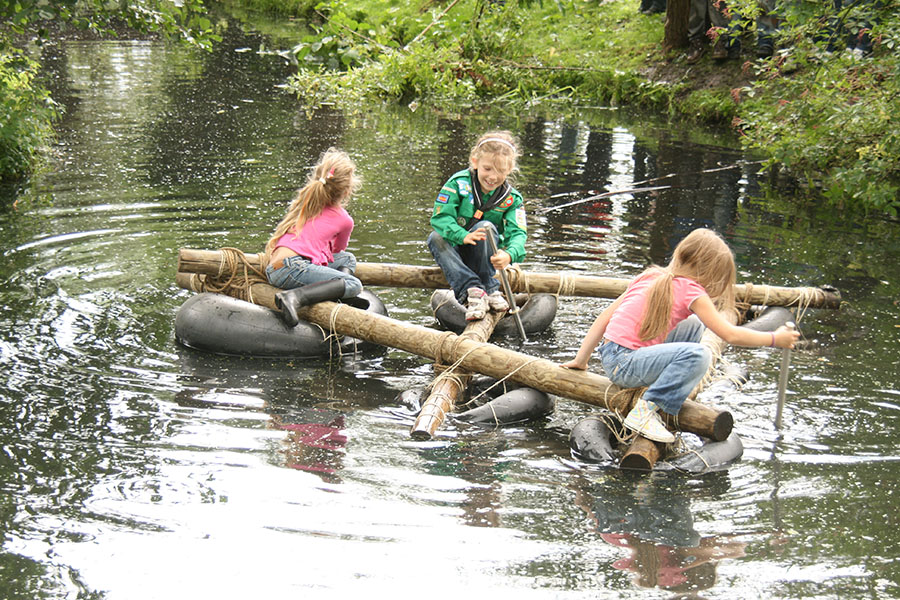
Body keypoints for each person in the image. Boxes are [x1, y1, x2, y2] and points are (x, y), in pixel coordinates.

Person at [561, 228, 799, 443]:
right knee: (699, 355)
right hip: (626, 366)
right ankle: (646, 412)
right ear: (709, 273)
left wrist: (581, 359)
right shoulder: (692, 291)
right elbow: (730, 334)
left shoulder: (650, 276)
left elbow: (605, 317)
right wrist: (774, 339)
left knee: (694, 326)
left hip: (611, 356)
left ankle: (668, 383)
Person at [427, 131, 527, 321]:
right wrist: (462, 235)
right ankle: (473, 289)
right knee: (435, 238)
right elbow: (440, 218)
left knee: (486, 227)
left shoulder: (512, 199)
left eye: (500, 171)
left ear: (509, 169)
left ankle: (488, 287)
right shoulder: (457, 184)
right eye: (487, 168)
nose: (492, 177)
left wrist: (509, 255)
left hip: (484, 257)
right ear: (475, 162)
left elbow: (518, 234)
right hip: (455, 253)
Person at [264, 147, 367, 327]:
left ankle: (338, 295)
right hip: (292, 268)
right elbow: (336, 249)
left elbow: (337, 256)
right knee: (353, 284)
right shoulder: (344, 220)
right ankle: (293, 297)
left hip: (276, 267)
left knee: (347, 259)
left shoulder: (307, 203)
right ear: (347, 191)